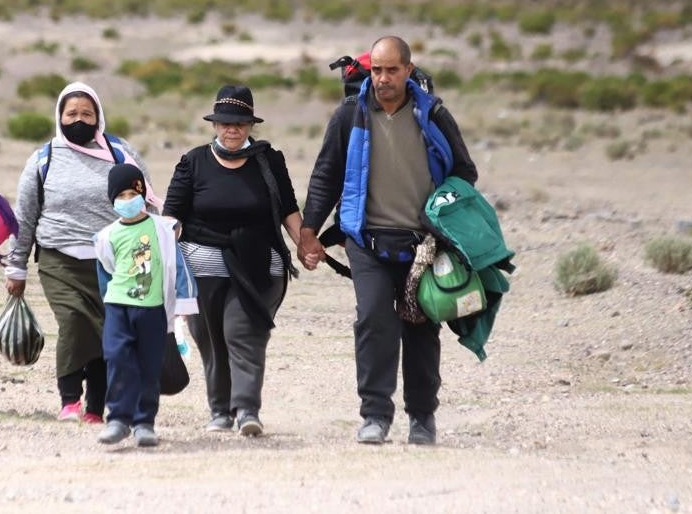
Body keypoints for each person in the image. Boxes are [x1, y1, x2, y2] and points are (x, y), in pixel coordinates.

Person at [296, 37, 478, 445]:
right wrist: (309, 230)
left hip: (423, 243)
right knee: (374, 320)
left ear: (408, 70)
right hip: (366, 238)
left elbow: (464, 172)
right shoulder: (350, 115)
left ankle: (422, 418)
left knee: (421, 326)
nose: (382, 78)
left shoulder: (433, 115)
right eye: (376, 70)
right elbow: (326, 175)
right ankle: (375, 415)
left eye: (391, 70)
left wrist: (445, 218)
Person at [5, 82, 160, 424]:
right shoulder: (43, 158)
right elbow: (25, 215)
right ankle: (70, 399)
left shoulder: (120, 152)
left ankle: (95, 408)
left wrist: (160, 248)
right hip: (58, 258)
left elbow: (148, 202)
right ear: (59, 116)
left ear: (98, 116)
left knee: (109, 331)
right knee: (74, 322)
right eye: (71, 113)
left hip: (113, 259)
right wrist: (16, 267)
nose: (79, 119)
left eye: (86, 113)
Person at [163, 85, 302, 437]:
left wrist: (305, 244)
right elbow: (172, 217)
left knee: (242, 331)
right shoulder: (192, 162)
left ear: (250, 125)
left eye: (241, 122)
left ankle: (247, 410)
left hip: (257, 263)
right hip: (201, 266)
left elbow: (288, 210)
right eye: (225, 122)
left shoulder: (269, 161)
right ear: (214, 124)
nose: (233, 129)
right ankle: (220, 411)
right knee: (210, 338)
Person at [93, 164, 198, 446]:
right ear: (112, 199)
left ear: (143, 194)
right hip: (118, 306)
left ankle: (143, 423)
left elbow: (178, 266)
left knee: (149, 365)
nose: (128, 200)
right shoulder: (106, 237)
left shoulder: (163, 230)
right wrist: (108, 306)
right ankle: (117, 419)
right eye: (121, 195)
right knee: (116, 358)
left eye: (132, 193)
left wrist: (185, 304)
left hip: (152, 310)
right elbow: (106, 273)